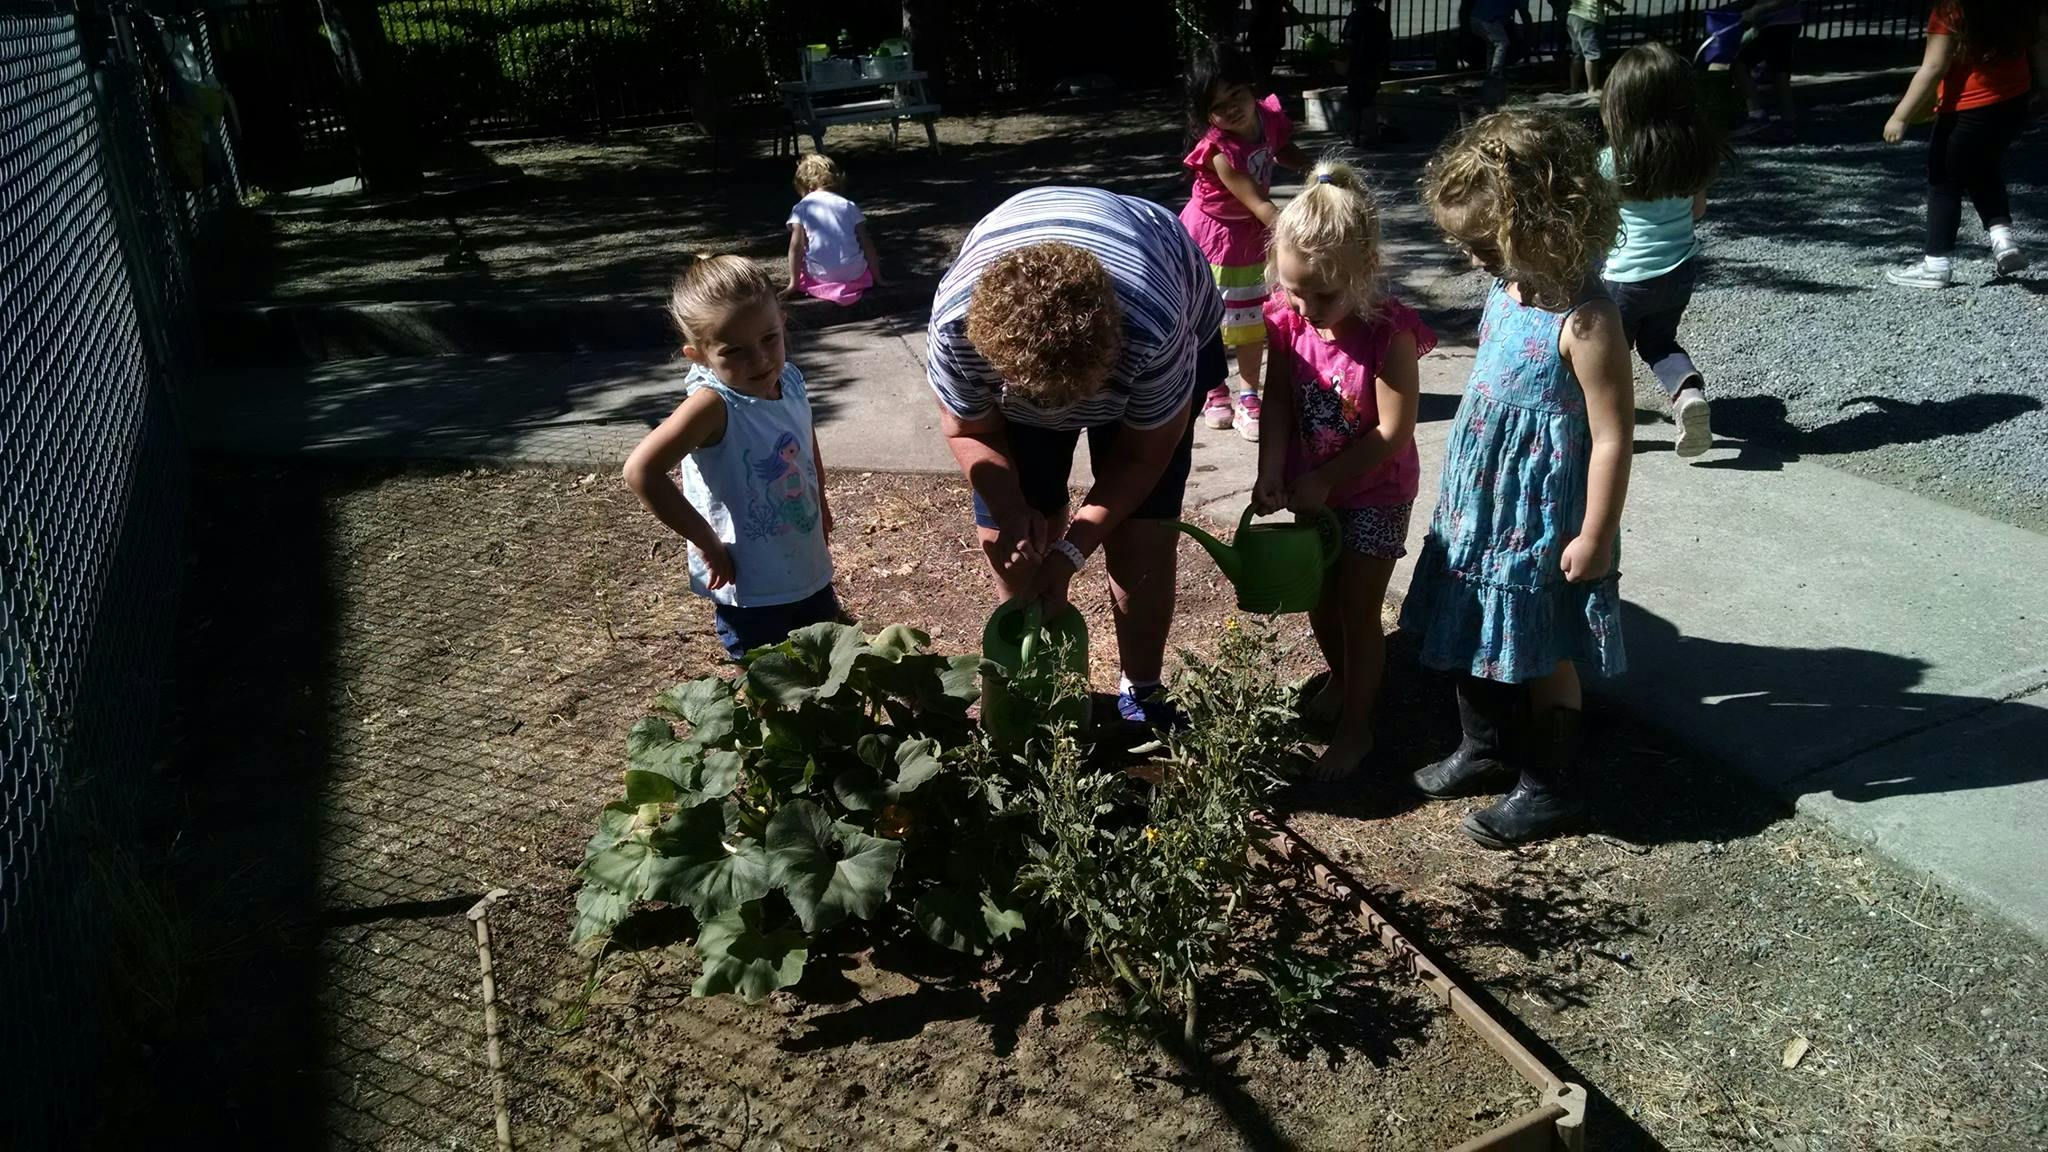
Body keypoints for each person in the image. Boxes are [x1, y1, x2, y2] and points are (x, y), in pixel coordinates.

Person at [1403, 109, 1633, 848]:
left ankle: (1550, 786)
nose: (1472, 258)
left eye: (1483, 242)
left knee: (1545, 647)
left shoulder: (1589, 320)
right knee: (1474, 616)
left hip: (1543, 520)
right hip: (1482, 505)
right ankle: (1485, 747)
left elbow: (1612, 436)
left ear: (1546, 222)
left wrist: (1595, 534)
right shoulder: (1509, 291)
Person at [928, 187, 1225, 727]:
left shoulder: (1155, 329)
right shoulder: (957, 329)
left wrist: (1073, 550)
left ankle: (1142, 689)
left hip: (1155, 297)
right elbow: (970, 428)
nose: (1063, 415)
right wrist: (1012, 509)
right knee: (1014, 535)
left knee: (1141, 530)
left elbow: (1142, 457)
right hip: (1027, 351)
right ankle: (1034, 678)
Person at [1252, 158, 1434, 783]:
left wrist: (1327, 478)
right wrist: (1271, 469)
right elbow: (1278, 401)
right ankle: (1341, 677)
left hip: (1376, 491)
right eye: (1294, 289)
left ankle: (1357, 728)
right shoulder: (1287, 321)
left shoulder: (1389, 334)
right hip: (1314, 491)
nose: (1306, 306)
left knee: (1357, 610)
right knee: (1320, 602)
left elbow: (1393, 430)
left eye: (1324, 295)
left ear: (1365, 269)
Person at [624, 255, 840, 660]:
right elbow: (641, 471)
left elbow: (805, 439)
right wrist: (706, 540)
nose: (759, 360)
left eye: (769, 338)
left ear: (783, 323)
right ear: (699, 355)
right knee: (767, 679)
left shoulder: (790, 380)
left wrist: (821, 499)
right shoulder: (712, 406)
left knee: (827, 662)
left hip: (804, 564)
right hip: (750, 585)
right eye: (734, 351)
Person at [1599, 41, 1729, 457]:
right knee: (1659, 343)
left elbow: (1598, 223)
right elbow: (1697, 211)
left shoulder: (1612, 161)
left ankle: (1605, 429)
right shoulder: (1694, 157)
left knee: (1608, 356)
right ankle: (1688, 394)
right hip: (1678, 273)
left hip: (1626, 279)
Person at [1180, 42, 1308, 442]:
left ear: (1251, 87)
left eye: (1235, 95)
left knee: (1251, 319)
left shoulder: (1268, 117)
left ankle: (1250, 395)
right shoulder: (1220, 151)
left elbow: (1281, 149)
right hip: (1215, 238)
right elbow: (1260, 204)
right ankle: (1214, 390)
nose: (1231, 109)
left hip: (1249, 234)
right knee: (1210, 318)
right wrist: (1305, 232)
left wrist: (1315, 169)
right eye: (1218, 106)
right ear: (1206, 115)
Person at [1881, 0, 2047, 289]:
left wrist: (1900, 116)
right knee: (1984, 166)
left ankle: (1936, 265)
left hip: (1967, 107)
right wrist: (2044, 87)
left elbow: (1934, 66)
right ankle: (2003, 241)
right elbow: (2041, 44)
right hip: (2014, 101)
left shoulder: (1950, 9)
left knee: (1944, 180)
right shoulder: (2025, 4)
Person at [783, 153, 887, 306]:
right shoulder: (848, 205)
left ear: (805, 184)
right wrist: (878, 278)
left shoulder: (801, 208)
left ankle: (822, 286)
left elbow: (796, 248)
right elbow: (867, 244)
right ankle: (853, 283)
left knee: (806, 259)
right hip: (854, 273)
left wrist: (793, 283)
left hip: (822, 276)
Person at [1728, 0, 1804, 142]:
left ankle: (1757, 117)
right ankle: (1788, 124)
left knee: (1740, 65)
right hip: (1783, 24)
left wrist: (1757, 10)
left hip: (1778, 26)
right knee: (1779, 74)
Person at [1345, 0, 1398, 147]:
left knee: (1355, 101)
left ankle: (1355, 134)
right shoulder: (1381, 15)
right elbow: (1388, 39)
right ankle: (1371, 135)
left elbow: (1349, 41)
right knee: (1369, 98)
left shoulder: (1354, 16)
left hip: (1358, 64)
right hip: (1375, 64)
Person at [1470, 0, 1533, 105]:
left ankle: (1489, 70)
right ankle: (1495, 73)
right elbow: (1525, 14)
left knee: (1492, 45)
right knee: (1502, 43)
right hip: (1488, 21)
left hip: (1475, 19)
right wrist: (1529, 32)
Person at [1562, 0, 1626, 99]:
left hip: (1574, 15)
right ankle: (1592, 89)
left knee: (1578, 54)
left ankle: (1574, 87)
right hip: (1589, 17)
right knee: (1592, 55)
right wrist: (1614, 4)